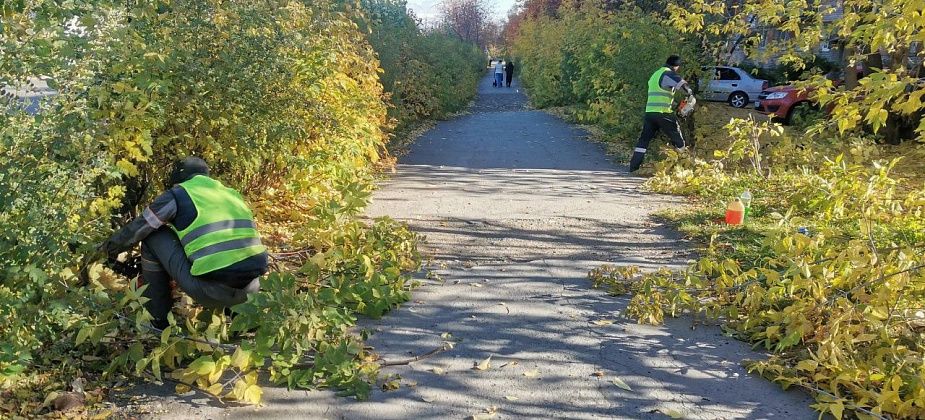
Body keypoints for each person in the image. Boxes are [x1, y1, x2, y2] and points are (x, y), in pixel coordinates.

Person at [101, 157, 268, 329]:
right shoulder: (231, 194)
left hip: (210, 292)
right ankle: (237, 314)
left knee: (152, 236)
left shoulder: (179, 194)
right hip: (251, 291)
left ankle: (158, 320)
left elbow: (139, 228)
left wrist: (106, 250)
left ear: (178, 178)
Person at [629, 55, 694, 172]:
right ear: (676, 66)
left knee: (643, 140)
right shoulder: (669, 74)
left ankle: (633, 167)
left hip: (650, 113)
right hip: (663, 113)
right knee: (678, 139)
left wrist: (674, 104)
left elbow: (661, 93)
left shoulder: (655, 74)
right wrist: (690, 96)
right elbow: (685, 88)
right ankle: (687, 167)